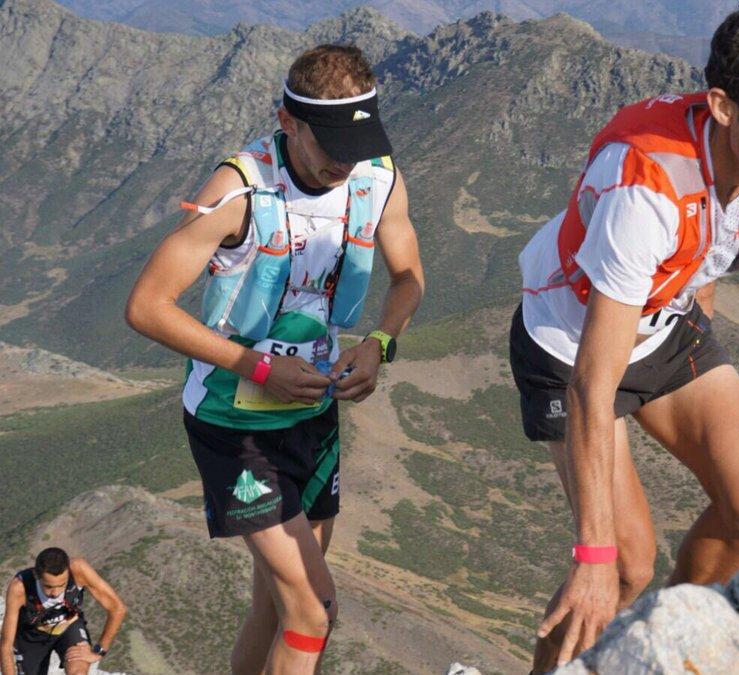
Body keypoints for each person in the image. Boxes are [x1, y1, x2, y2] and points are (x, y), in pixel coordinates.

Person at [508, 1, 739, 669]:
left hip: (659, 322)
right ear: (721, 106)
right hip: (569, 342)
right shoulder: (646, 191)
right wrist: (592, 555)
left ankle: (668, 649)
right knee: (624, 566)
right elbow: (592, 385)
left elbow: (707, 258)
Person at [125, 44, 423, 675]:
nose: (348, 159)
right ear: (290, 123)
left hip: (312, 416)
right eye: (333, 143)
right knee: (315, 611)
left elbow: (408, 279)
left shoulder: (378, 176)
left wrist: (379, 345)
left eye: (359, 141)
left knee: (276, 603)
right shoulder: (238, 190)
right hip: (232, 423)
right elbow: (147, 306)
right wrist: (258, 367)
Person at [1, 547, 126, 675]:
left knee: (78, 672)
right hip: (31, 637)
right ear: (37, 575)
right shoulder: (20, 587)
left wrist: (99, 651)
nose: (55, 593)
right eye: (48, 586)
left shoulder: (78, 569)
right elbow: (6, 645)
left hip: (69, 626)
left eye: (62, 585)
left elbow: (117, 608)